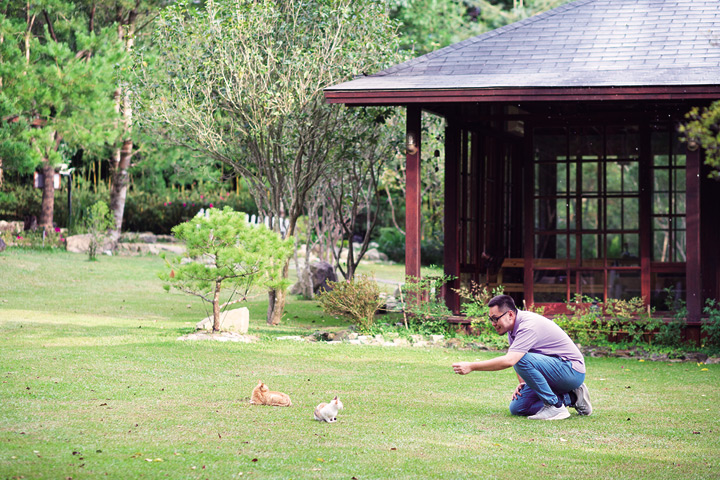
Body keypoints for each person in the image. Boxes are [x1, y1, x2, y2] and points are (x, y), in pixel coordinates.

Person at [452, 294, 592, 420]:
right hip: (555, 371)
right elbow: (518, 357)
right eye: (491, 319)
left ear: (510, 315)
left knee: (521, 359)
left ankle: (554, 406)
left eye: (495, 319)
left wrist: (472, 366)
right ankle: (572, 397)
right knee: (518, 408)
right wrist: (523, 383)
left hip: (571, 371)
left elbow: (511, 360)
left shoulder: (528, 326)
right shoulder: (512, 328)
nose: (493, 323)